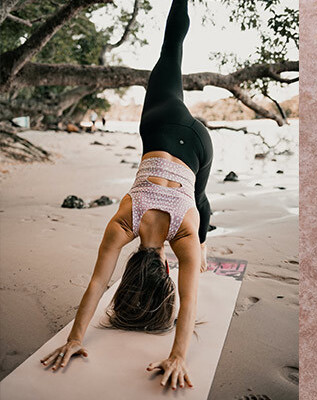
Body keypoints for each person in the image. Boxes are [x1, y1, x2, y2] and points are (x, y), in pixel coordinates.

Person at [40, 0, 212, 391]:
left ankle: (206, 240)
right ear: (133, 266)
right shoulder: (123, 221)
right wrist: (74, 339)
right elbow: (98, 283)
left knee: (198, 201)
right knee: (173, 47)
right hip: (163, 120)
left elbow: (187, 303)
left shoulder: (181, 237)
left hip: (200, 144)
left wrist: (178, 355)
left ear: (165, 268)